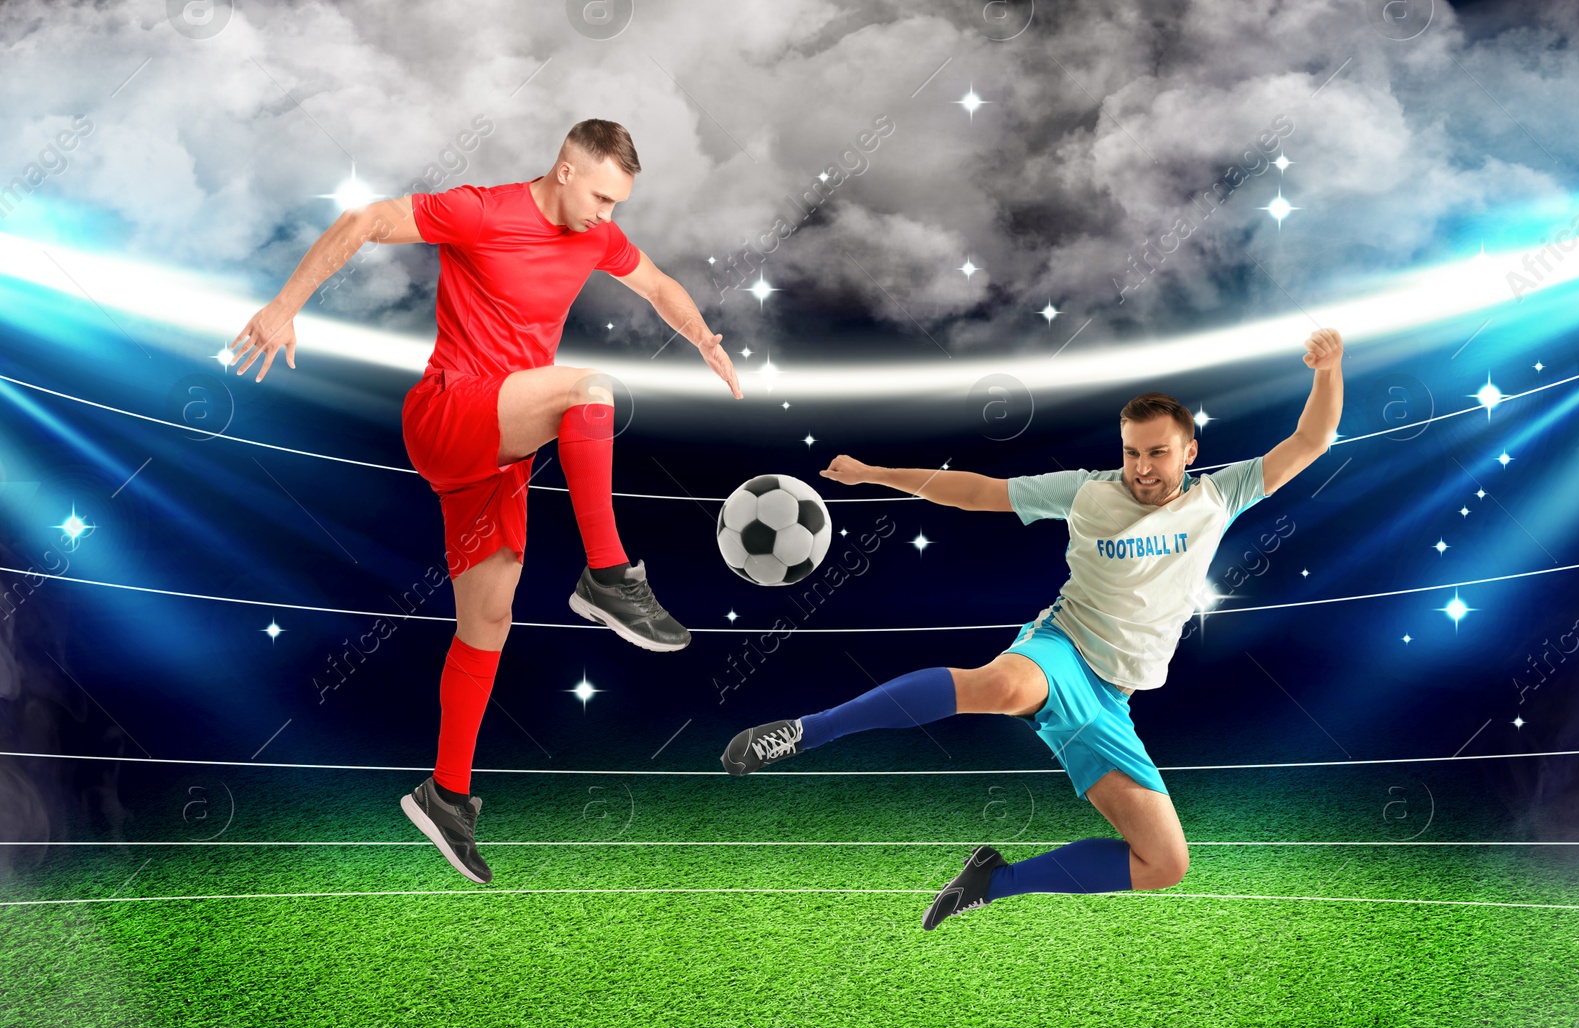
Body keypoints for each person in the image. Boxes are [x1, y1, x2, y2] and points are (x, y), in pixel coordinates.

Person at [231, 119, 743, 885]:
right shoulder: (484, 210)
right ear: (566, 170)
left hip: (500, 453)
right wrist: (284, 304)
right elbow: (365, 220)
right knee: (589, 389)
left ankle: (446, 795)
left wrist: (702, 337)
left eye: (620, 202)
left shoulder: (597, 237)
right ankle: (607, 573)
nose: (609, 214)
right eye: (602, 195)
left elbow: (660, 285)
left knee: (488, 620)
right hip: (450, 412)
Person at [721, 329, 1344, 929]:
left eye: (1158, 452)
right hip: (1063, 648)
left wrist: (1328, 369)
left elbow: (1312, 439)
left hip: (1113, 699)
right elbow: (978, 493)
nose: (1142, 467)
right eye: (1131, 451)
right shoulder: (1086, 493)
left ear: (1189, 452)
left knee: (1163, 863)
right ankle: (802, 733)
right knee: (1003, 687)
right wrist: (876, 473)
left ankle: (994, 880)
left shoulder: (1220, 497)